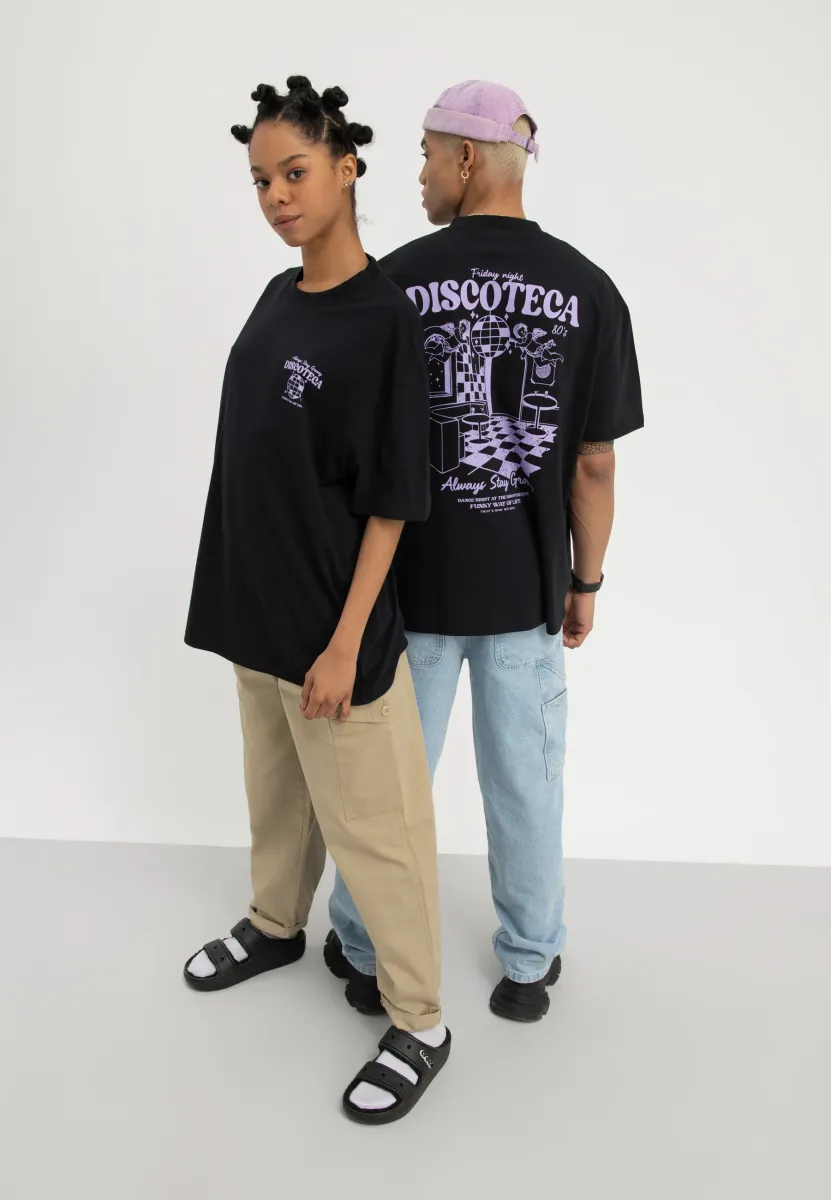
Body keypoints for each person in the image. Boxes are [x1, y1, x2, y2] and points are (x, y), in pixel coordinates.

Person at [330, 80, 644, 1023]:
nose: (420, 174)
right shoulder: (589, 289)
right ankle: (527, 963)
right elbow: (592, 464)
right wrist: (585, 581)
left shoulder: (390, 282)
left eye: (427, 155)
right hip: (524, 594)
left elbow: (351, 458)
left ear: (466, 159)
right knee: (525, 787)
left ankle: (360, 950)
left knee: (385, 792)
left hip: (407, 598)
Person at [182, 76, 450, 1123]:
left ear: (347, 168)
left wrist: (345, 645)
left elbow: (392, 501)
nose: (277, 197)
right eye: (260, 181)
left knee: (379, 830)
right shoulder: (276, 295)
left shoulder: (385, 321)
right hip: (257, 608)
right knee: (277, 796)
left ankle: (420, 1020)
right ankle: (274, 924)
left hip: (336, 628)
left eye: (294, 173)